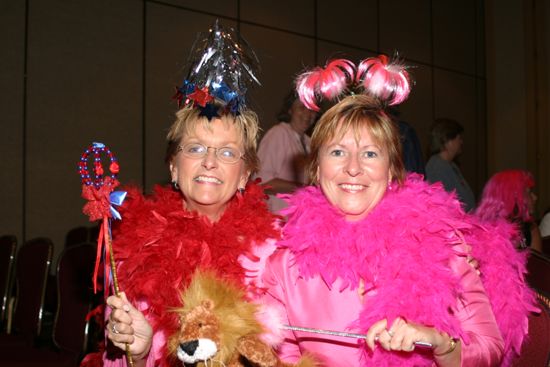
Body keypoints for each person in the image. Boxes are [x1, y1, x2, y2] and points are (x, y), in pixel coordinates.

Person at [258, 56, 536, 366]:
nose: (353, 168)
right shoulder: (283, 267)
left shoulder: (442, 242)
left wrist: (442, 345)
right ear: (316, 167)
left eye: (370, 153)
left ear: (391, 170)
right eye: (338, 151)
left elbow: (490, 346)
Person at [86, 22, 281, 367]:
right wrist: (140, 351)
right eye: (195, 148)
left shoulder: (275, 254)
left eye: (226, 152)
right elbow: (114, 360)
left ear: (245, 175)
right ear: (174, 167)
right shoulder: (135, 248)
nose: (208, 162)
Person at [255, 91, 317, 212]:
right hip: (275, 218)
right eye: (302, 108)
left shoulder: (311, 143)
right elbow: (263, 184)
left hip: (300, 221)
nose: (308, 114)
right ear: (290, 110)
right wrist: (305, 190)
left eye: (312, 110)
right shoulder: (278, 134)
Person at [475, 169, 543, 252]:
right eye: (529, 192)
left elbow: (537, 264)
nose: (535, 197)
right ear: (513, 197)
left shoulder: (531, 229)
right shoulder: (483, 233)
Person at [425, 118, 476, 212]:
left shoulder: (450, 164)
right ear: (448, 141)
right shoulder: (437, 167)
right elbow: (442, 207)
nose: (461, 142)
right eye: (459, 138)